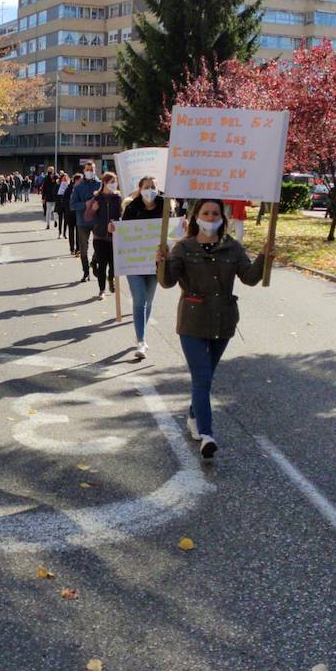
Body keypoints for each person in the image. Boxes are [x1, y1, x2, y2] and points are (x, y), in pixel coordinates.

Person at [158, 199, 270, 458]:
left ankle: (193, 416)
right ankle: (207, 434)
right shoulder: (183, 247)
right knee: (202, 379)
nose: (210, 217)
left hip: (223, 321)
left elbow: (250, 278)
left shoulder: (232, 247)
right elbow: (166, 282)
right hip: (192, 322)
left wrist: (265, 256)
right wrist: (161, 261)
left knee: (206, 377)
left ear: (223, 217)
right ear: (196, 216)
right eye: (205, 213)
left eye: (215, 213)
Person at [122, 176, 165, 359]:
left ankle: (141, 334)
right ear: (140, 189)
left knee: (148, 300)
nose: (150, 190)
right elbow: (123, 233)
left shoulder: (166, 207)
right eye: (146, 187)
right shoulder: (132, 208)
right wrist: (114, 230)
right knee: (139, 300)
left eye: (153, 186)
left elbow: (173, 231)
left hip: (156, 263)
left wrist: (183, 226)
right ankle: (141, 341)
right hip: (134, 263)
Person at [88, 171, 124, 300]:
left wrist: (119, 221)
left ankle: (111, 278)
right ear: (104, 183)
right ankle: (101, 290)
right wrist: (93, 209)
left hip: (115, 237)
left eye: (115, 182)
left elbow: (123, 216)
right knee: (102, 265)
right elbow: (87, 217)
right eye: (111, 182)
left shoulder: (119, 198)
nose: (114, 185)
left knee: (114, 265)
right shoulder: (96, 198)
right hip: (100, 237)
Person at [70, 162, 102, 282]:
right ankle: (86, 272)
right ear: (84, 170)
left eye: (91, 169)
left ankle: (94, 262)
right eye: (87, 169)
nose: (89, 171)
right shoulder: (78, 187)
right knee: (83, 249)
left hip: (97, 221)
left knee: (99, 246)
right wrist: (85, 204)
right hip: (82, 222)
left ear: (95, 170)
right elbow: (72, 205)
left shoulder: (100, 185)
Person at [64, 172, 82, 254]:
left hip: (79, 214)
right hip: (70, 213)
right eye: (79, 180)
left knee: (78, 232)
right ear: (75, 180)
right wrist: (70, 206)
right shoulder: (69, 189)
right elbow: (64, 199)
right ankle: (72, 248)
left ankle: (78, 248)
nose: (80, 182)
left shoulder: (82, 189)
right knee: (71, 231)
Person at [54, 172, 71, 240]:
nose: (64, 180)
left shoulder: (69, 186)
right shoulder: (57, 185)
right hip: (60, 204)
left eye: (65, 178)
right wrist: (58, 196)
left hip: (67, 205)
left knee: (66, 219)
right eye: (63, 178)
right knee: (60, 218)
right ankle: (60, 232)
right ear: (61, 179)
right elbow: (54, 194)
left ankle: (64, 233)